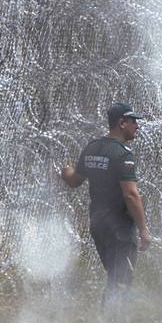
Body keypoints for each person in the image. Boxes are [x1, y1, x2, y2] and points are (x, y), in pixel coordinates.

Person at [59, 102, 151, 301]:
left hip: (99, 227)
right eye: (133, 121)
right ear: (122, 123)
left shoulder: (92, 148)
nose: (138, 126)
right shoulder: (122, 154)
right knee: (121, 282)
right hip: (120, 229)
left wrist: (65, 172)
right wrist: (143, 230)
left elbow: (74, 181)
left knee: (116, 278)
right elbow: (131, 195)